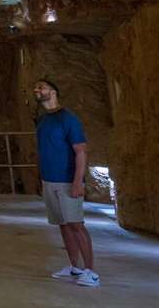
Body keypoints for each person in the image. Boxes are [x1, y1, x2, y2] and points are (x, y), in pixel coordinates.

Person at [34, 78, 97, 286]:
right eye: (36, 88)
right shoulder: (43, 120)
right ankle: (74, 266)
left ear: (53, 92)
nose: (36, 90)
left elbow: (81, 151)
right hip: (49, 180)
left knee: (76, 224)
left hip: (67, 181)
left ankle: (91, 271)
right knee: (63, 224)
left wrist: (78, 181)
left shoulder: (68, 119)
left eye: (41, 87)